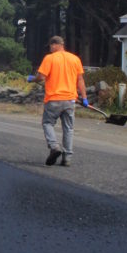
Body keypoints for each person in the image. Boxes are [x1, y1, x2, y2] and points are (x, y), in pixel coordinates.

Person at [28, 36, 88, 166]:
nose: (50, 49)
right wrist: (84, 98)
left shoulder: (50, 58)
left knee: (47, 123)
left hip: (54, 99)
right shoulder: (75, 59)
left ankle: (54, 146)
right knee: (68, 128)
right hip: (70, 100)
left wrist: (32, 79)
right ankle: (67, 158)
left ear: (55, 45)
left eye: (50, 46)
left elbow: (41, 77)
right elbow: (80, 80)